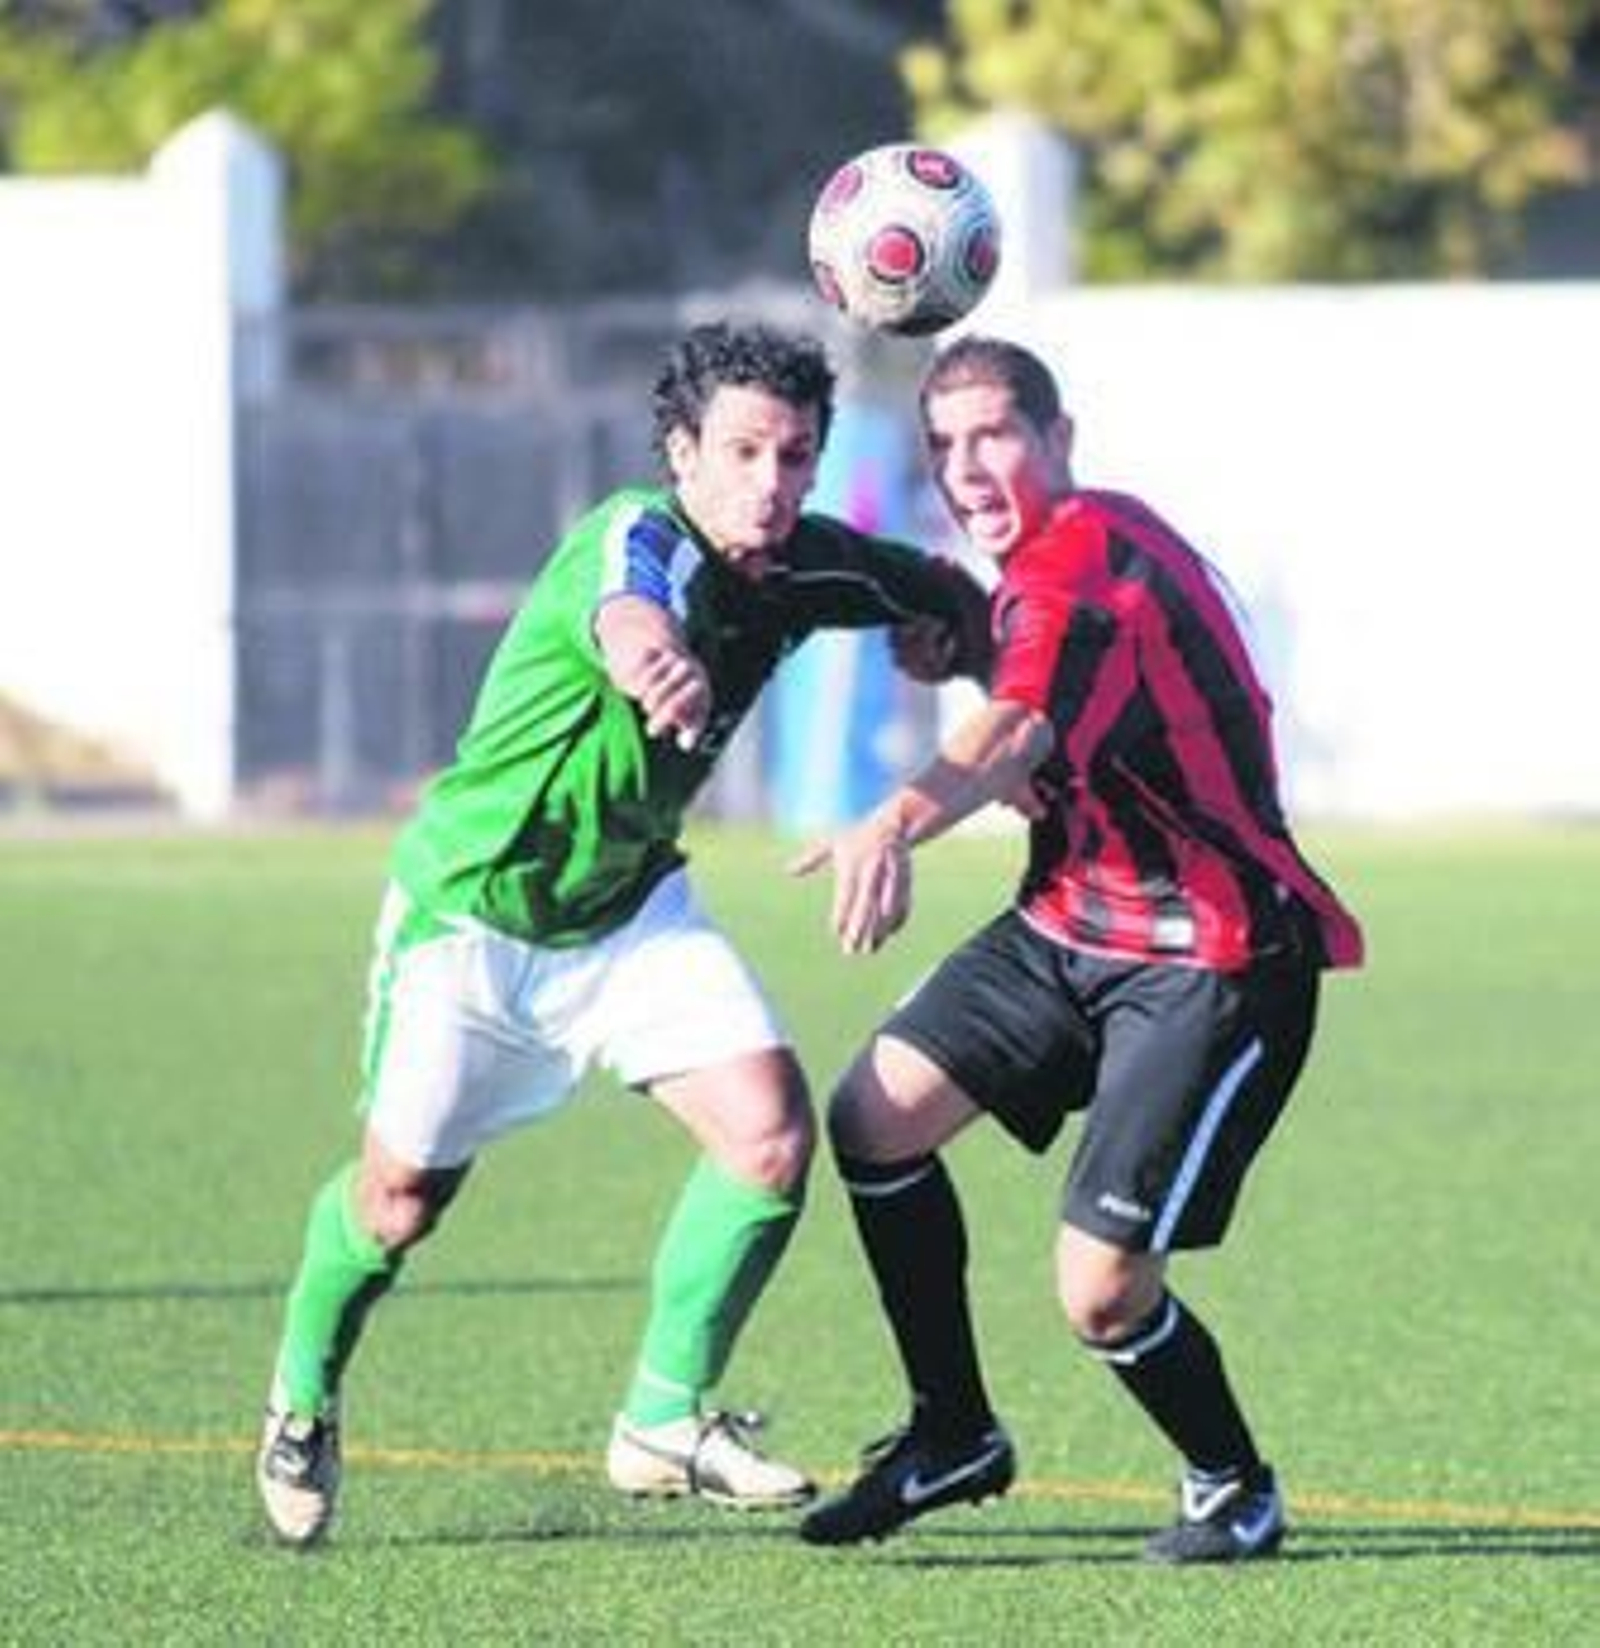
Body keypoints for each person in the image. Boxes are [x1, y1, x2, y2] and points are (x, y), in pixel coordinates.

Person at [254, 320, 989, 1547]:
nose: (770, 481)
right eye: (743, 449)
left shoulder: (806, 562)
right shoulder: (633, 535)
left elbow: (942, 592)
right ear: (683, 449)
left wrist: (948, 638)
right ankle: (300, 1396)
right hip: (474, 917)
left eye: (794, 454)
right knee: (397, 1204)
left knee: (768, 1136)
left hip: (629, 912)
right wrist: (661, 667)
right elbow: (629, 618)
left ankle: (660, 1420)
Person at [791, 336, 1364, 1562]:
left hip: (1211, 958)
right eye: (942, 446)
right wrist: (961, 640)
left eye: (995, 433)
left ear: (1060, 439)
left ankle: (1232, 1484)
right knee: (872, 1117)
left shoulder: (1084, 563)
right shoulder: (1053, 565)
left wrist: (894, 818)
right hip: (1069, 920)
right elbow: (1035, 698)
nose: (967, 467)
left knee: (1100, 1291)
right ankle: (952, 1432)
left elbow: (1013, 736)